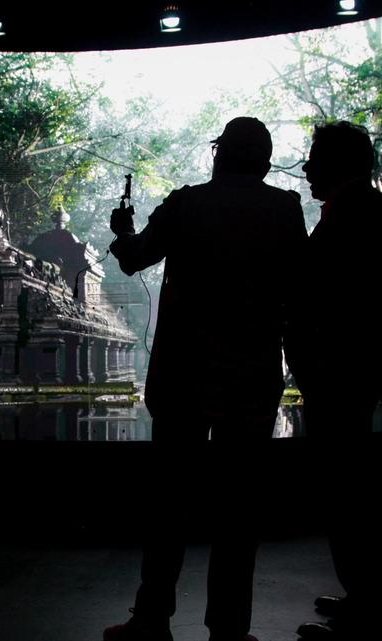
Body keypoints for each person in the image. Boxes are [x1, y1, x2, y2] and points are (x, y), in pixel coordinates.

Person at [102, 117, 307, 641]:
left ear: (218, 154)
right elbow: (297, 291)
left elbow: (135, 259)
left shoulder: (187, 204)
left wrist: (122, 232)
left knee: (169, 503)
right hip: (251, 377)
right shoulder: (285, 210)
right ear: (263, 162)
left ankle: (151, 618)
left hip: (183, 377)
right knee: (240, 510)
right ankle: (230, 627)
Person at [290, 121, 382, 641]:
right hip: (345, 371)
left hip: (341, 371)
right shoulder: (359, 209)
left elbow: (323, 289)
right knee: (349, 491)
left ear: (338, 163)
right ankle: (367, 598)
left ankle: (373, 611)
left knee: (350, 494)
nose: (307, 168)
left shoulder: (356, 213)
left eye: (314, 158)